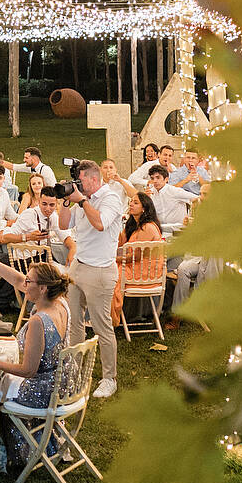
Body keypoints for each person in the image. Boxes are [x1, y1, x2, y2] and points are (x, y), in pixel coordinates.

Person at [0, 243, 73, 470]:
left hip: (42, 390)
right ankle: (44, 443)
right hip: (63, 384)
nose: (24, 283)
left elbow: (28, 371)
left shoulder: (37, 321)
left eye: (29, 281)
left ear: (43, 288)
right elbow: (15, 279)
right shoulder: (61, 303)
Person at [59, 160, 126, 398]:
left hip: (100, 271)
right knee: (74, 321)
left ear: (94, 179)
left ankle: (110, 378)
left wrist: (82, 201)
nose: (78, 184)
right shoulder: (81, 199)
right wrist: (67, 199)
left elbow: (99, 224)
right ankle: (75, 369)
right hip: (79, 267)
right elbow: (63, 224)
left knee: (101, 326)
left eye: (81, 180)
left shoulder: (111, 198)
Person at [113, 191, 165, 326]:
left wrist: (114, 259)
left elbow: (135, 257)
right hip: (136, 267)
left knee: (109, 274)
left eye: (135, 203)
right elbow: (119, 243)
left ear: (144, 208)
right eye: (131, 202)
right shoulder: (134, 225)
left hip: (145, 272)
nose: (131, 204)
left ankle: (110, 317)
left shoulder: (147, 227)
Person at [0, 186, 76, 266]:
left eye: (52, 205)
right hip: (25, 262)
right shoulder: (29, 215)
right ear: (39, 201)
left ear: (56, 204)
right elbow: (4, 238)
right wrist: (27, 237)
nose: (48, 208)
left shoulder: (53, 216)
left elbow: (64, 236)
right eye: (44, 204)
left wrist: (72, 248)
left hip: (41, 259)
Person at [145, 165, 198, 231]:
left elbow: (197, 199)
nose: (155, 181)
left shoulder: (175, 191)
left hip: (177, 229)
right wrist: (145, 200)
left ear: (166, 179)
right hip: (158, 229)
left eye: (158, 178)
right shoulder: (150, 193)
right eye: (152, 178)